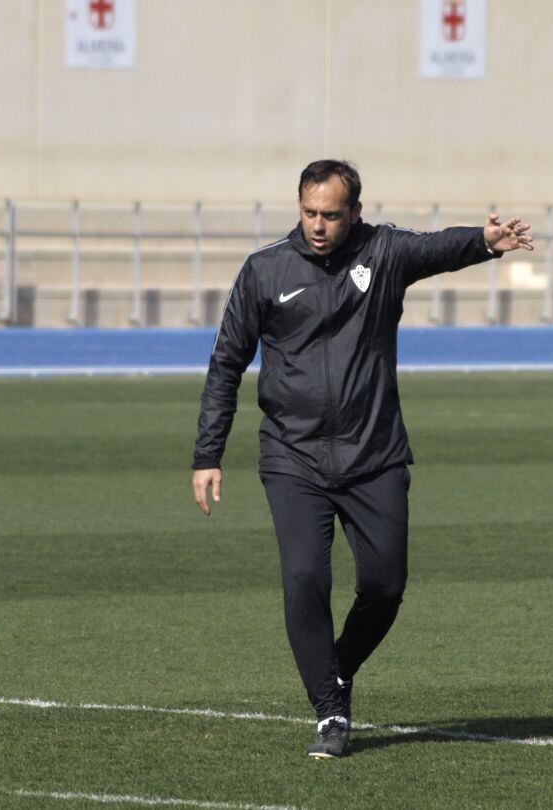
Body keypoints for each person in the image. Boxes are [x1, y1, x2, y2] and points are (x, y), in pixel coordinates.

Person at [191, 159, 533, 759]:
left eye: (331, 214)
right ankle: (329, 709)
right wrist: (207, 453)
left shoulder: (383, 252)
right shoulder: (265, 270)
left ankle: (338, 665)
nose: (319, 225)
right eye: (309, 213)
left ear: (354, 211)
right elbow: (226, 363)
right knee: (304, 578)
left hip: (373, 453)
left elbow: (436, 249)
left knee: (384, 586)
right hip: (292, 456)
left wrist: (485, 243)